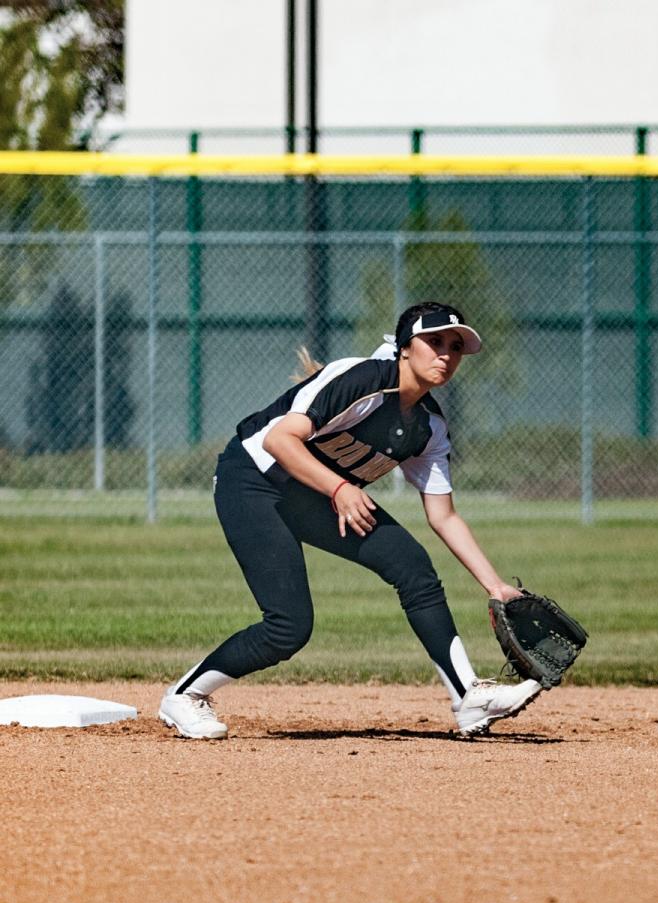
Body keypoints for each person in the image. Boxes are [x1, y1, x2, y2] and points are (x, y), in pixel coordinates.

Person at [159, 302, 543, 739]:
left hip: (316, 494)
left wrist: (495, 586)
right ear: (403, 348)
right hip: (253, 481)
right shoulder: (362, 380)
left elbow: (444, 515)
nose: (445, 354)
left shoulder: (428, 426)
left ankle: (468, 698)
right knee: (288, 627)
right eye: (433, 342)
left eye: (455, 347)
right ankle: (185, 695)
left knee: (413, 566)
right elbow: (279, 439)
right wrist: (340, 489)